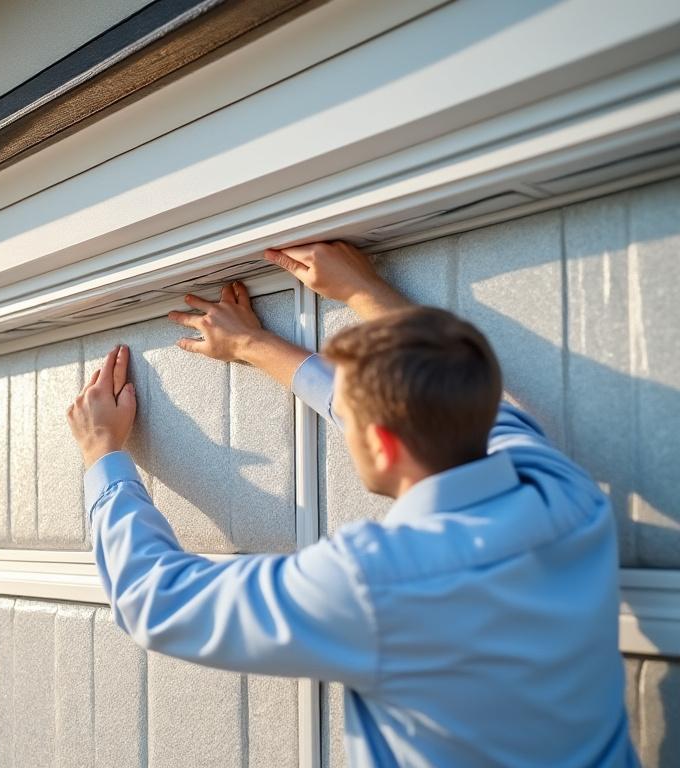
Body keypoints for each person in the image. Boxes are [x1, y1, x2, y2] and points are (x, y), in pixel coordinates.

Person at [66, 241, 637, 767]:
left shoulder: (378, 582)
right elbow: (460, 399)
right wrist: (349, 300)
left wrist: (102, 455)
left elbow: (156, 600)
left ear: (383, 444)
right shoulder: (563, 491)